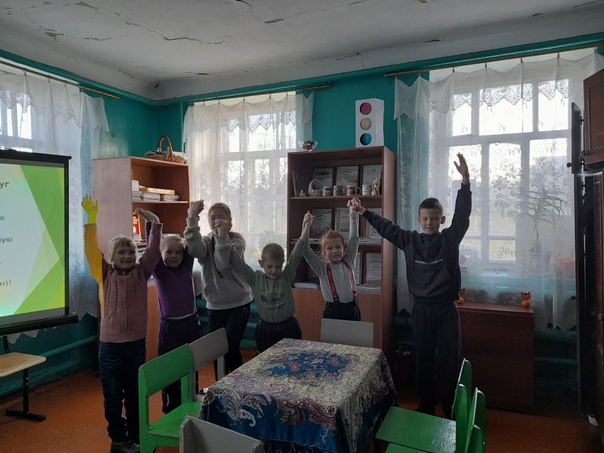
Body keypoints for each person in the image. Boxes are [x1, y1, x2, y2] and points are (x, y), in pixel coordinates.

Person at [349, 153, 471, 418]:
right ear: (418, 220)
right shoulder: (410, 240)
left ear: (442, 220)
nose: (429, 223)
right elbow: (386, 227)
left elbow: (463, 216)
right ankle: (427, 405)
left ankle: (449, 407)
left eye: (434, 218)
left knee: (449, 361)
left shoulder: (450, 239)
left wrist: (465, 183)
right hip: (421, 310)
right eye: (425, 218)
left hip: (446, 310)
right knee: (423, 360)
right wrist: (363, 211)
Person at [81, 195, 162, 453]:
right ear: (112, 256)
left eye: (131, 252)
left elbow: (153, 251)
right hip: (110, 348)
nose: (127, 256)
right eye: (121, 252)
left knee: (135, 394)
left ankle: (136, 436)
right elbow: (91, 250)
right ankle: (118, 438)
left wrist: (155, 223)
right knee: (113, 396)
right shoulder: (103, 273)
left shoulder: (141, 272)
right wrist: (91, 219)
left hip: (135, 345)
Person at [214, 211, 313, 352]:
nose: (274, 270)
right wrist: (223, 235)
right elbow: (236, 261)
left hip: (288, 327)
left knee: (292, 358)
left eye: (278, 266)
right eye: (270, 266)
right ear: (261, 263)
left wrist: (306, 227)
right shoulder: (255, 278)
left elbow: (297, 253)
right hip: (266, 329)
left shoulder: (286, 276)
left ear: (283, 263)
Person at [137, 211, 199, 414]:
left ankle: (190, 399)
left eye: (178, 252)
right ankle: (170, 406)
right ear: (162, 255)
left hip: (190, 324)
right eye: (169, 252)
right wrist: (153, 223)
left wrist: (193, 216)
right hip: (170, 328)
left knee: (190, 364)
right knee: (169, 367)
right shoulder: (160, 271)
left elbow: (191, 242)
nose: (174, 256)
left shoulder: (186, 267)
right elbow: (152, 248)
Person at [184, 200, 253, 375]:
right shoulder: (207, 241)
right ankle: (220, 384)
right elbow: (195, 250)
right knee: (217, 350)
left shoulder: (237, 241)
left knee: (231, 346)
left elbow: (223, 265)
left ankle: (237, 385)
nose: (216, 221)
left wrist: (222, 236)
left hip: (238, 303)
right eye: (212, 218)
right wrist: (192, 218)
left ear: (230, 221)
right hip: (215, 305)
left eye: (221, 217)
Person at [302, 201, 361, 321]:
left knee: (354, 334)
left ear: (344, 248)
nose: (335, 251)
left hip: (352, 309)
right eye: (330, 248)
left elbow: (354, 238)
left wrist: (353, 213)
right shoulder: (322, 268)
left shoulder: (349, 261)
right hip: (332, 312)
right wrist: (306, 226)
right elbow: (306, 250)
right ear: (324, 251)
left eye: (338, 247)